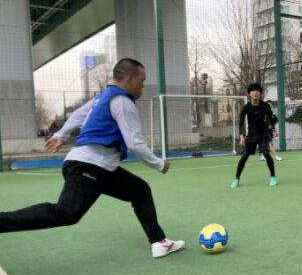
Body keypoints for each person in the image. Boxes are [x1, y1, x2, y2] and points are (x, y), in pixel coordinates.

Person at [0, 58, 184, 259]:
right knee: (66, 213)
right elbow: (134, 142)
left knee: (140, 190)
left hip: (99, 167)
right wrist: (159, 164)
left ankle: (159, 242)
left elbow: (78, 115)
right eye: (142, 80)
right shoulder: (122, 101)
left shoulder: (102, 97)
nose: (143, 85)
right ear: (131, 79)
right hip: (89, 166)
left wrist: (61, 135)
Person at [231, 83, 277, 188]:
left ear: (260, 93)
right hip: (252, 134)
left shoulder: (265, 106)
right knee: (245, 156)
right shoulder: (246, 108)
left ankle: (273, 177)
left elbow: (270, 118)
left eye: (257, 91)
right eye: (253, 91)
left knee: (266, 153)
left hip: (264, 133)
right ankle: (236, 178)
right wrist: (241, 135)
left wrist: (273, 129)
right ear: (249, 93)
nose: (255, 93)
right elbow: (241, 122)